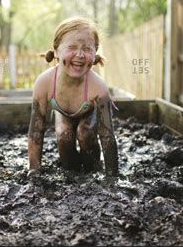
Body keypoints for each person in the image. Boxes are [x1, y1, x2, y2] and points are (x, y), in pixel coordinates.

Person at [27, 16, 119, 177]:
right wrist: (34, 170)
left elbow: (107, 136)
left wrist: (112, 177)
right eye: (72, 47)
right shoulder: (45, 82)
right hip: (63, 113)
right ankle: (72, 175)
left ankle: (93, 171)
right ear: (56, 50)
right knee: (64, 135)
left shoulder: (98, 87)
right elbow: (36, 129)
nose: (80, 55)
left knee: (86, 133)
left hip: (87, 113)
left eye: (87, 49)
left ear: (95, 53)